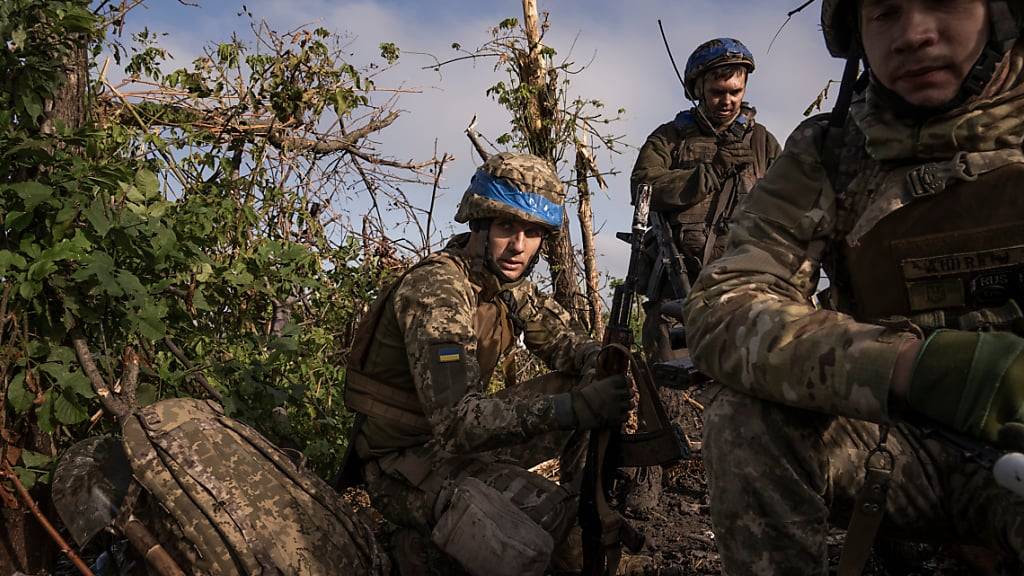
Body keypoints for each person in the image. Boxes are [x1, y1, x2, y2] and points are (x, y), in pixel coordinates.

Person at [684, 0, 1024, 574]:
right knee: (745, 417)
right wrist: (913, 367)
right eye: (885, 12)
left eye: (943, 2)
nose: (914, 34)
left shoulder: (763, 139)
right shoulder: (830, 148)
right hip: (897, 446)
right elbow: (724, 305)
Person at [340, 152, 633, 576]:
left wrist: (600, 362)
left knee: (578, 397)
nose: (519, 246)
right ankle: (420, 553)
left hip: (451, 443)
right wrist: (577, 407)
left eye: (532, 232)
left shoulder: (503, 284)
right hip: (402, 463)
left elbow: (567, 344)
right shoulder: (438, 291)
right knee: (537, 528)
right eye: (506, 227)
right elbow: (459, 423)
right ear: (479, 224)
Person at [631, 37, 781, 362]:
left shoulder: (763, 143)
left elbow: (791, 207)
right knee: (673, 398)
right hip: (677, 293)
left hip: (747, 293)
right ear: (698, 88)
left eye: (735, 92)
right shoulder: (669, 138)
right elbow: (642, 188)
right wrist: (709, 172)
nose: (727, 101)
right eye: (717, 92)